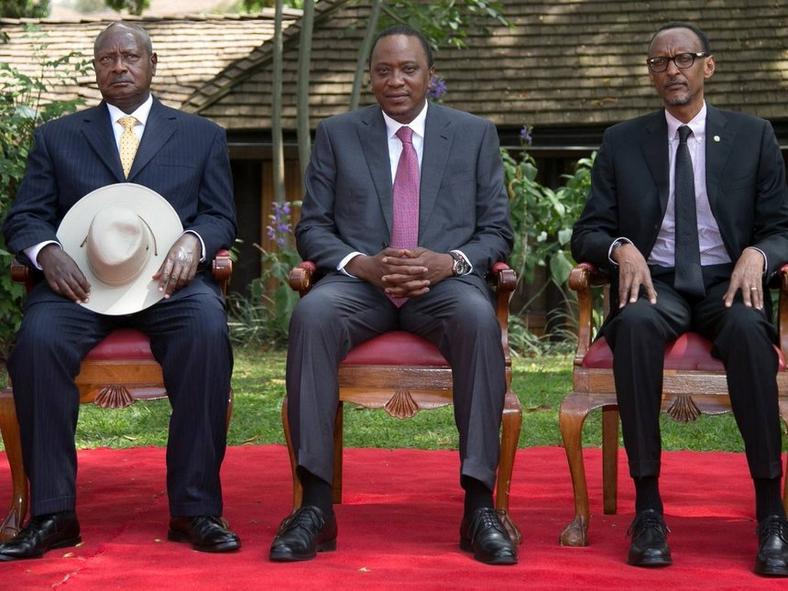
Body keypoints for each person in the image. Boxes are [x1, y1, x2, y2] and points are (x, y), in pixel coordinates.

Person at [269, 26, 516, 565]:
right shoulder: (338, 135)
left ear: (430, 76)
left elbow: (496, 231)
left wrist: (448, 262)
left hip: (443, 287)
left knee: (478, 320)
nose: (396, 80)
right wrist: (364, 265)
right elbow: (313, 229)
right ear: (370, 79)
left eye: (408, 69)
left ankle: (478, 505)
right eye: (383, 71)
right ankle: (314, 506)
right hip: (362, 287)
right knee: (311, 315)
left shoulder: (473, 135)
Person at [0, 21, 239, 560]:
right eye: (106, 58)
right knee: (36, 345)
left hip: (169, 287)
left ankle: (195, 509)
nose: (119, 67)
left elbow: (221, 213)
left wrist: (195, 243)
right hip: (79, 288)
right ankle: (53, 513)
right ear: (95, 70)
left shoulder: (202, 135)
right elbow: (24, 219)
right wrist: (46, 253)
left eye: (130, 56)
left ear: (152, 64)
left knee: (206, 332)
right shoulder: (57, 136)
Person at [571, 22, 788, 576]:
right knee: (637, 324)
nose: (672, 69)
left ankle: (770, 511)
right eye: (660, 62)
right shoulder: (623, 141)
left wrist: (759, 255)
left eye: (684, 58)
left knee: (745, 330)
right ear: (650, 74)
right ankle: (648, 509)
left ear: (707, 66)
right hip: (656, 281)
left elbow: (781, 226)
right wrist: (622, 249)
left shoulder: (753, 135)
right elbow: (588, 231)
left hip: (727, 280)